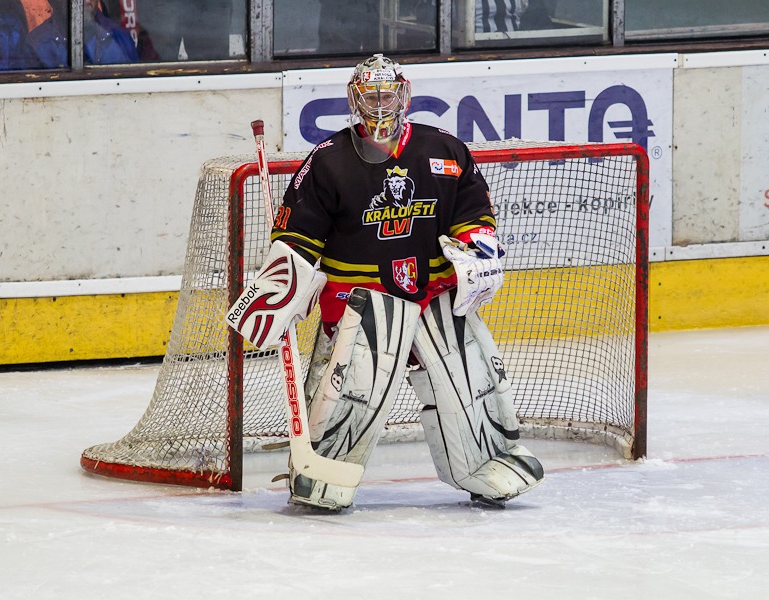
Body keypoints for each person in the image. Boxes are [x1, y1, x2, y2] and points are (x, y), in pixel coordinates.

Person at [227, 54, 544, 511]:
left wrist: (478, 247)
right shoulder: (328, 160)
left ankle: (484, 462)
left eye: (387, 95)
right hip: (361, 299)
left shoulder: (445, 150)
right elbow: (297, 235)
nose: (380, 105)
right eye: (371, 96)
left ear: (404, 96)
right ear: (355, 99)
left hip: (434, 294)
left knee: (470, 378)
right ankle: (323, 472)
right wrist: (283, 283)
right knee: (352, 390)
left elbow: (474, 213)